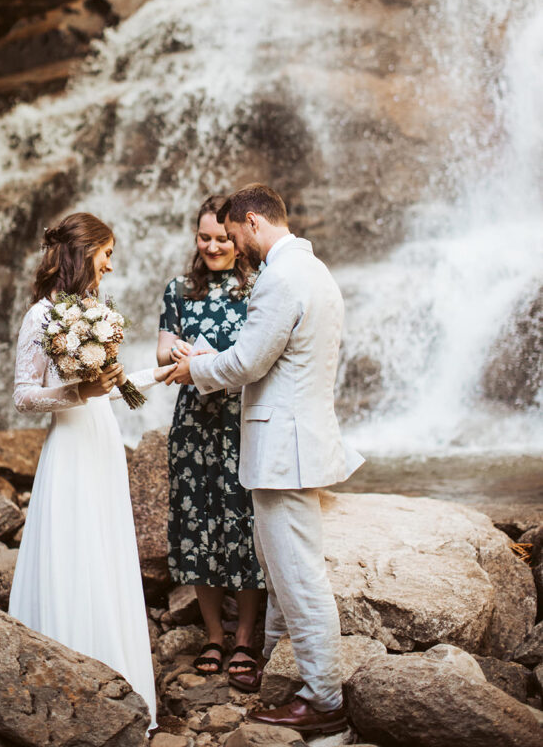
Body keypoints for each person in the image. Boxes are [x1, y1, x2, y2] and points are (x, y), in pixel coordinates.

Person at [167, 184, 364, 735]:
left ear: (251, 223)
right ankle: (281, 670)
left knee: (299, 577)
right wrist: (214, 356)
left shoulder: (279, 277)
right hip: (299, 442)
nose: (233, 245)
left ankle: (324, 698)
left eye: (232, 235)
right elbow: (276, 359)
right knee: (282, 571)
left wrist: (194, 369)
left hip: (285, 452)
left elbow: (250, 362)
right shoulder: (315, 270)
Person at [8, 211, 173, 729]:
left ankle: (116, 685)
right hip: (71, 445)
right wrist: (76, 391)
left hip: (101, 438)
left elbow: (116, 388)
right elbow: (23, 396)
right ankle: (64, 689)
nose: (110, 266)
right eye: (106, 255)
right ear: (84, 254)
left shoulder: (96, 309)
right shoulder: (42, 317)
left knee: (104, 552)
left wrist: (161, 373)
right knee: (73, 550)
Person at [157, 195, 265, 690]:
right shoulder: (178, 290)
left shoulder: (257, 286)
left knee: (241, 524)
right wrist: (177, 352)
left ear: (239, 239)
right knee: (198, 522)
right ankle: (214, 635)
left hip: (240, 422)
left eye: (223, 238)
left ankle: (245, 637)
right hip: (193, 428)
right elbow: (162, 351)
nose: (214, 246)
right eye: (205, 238)